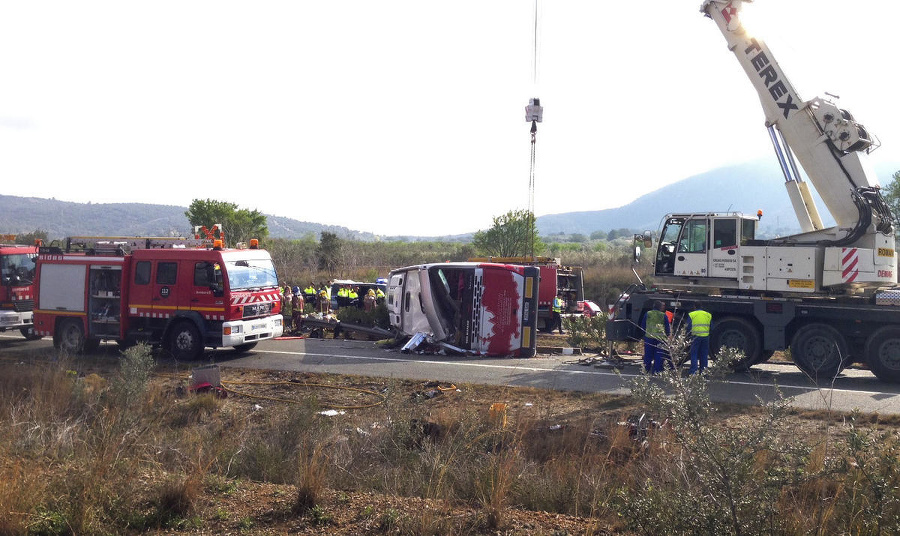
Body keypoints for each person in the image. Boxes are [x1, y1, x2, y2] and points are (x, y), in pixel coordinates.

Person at [640, 300, 671, 374]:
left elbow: (643, 325)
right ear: (660, 307)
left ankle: (645, 370)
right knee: (659, 355)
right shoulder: (663, 315)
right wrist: (667, 335)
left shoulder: (648, 314)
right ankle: (656, 371)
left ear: (653, 306)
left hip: (649, 338)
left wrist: (644, 334)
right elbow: (667, 328)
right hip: (660, 339)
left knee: (648, 355)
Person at [686, 302, 712, 374]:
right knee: (704, 354)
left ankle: (693, 371)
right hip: (705, 337)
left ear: (694, 307)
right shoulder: (708, 315)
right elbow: (711, 326)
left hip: (695, 336)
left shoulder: (692, 314)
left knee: (694, 354)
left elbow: (688, 327)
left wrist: (688, 335)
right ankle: (703, 371)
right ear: (702, 306)